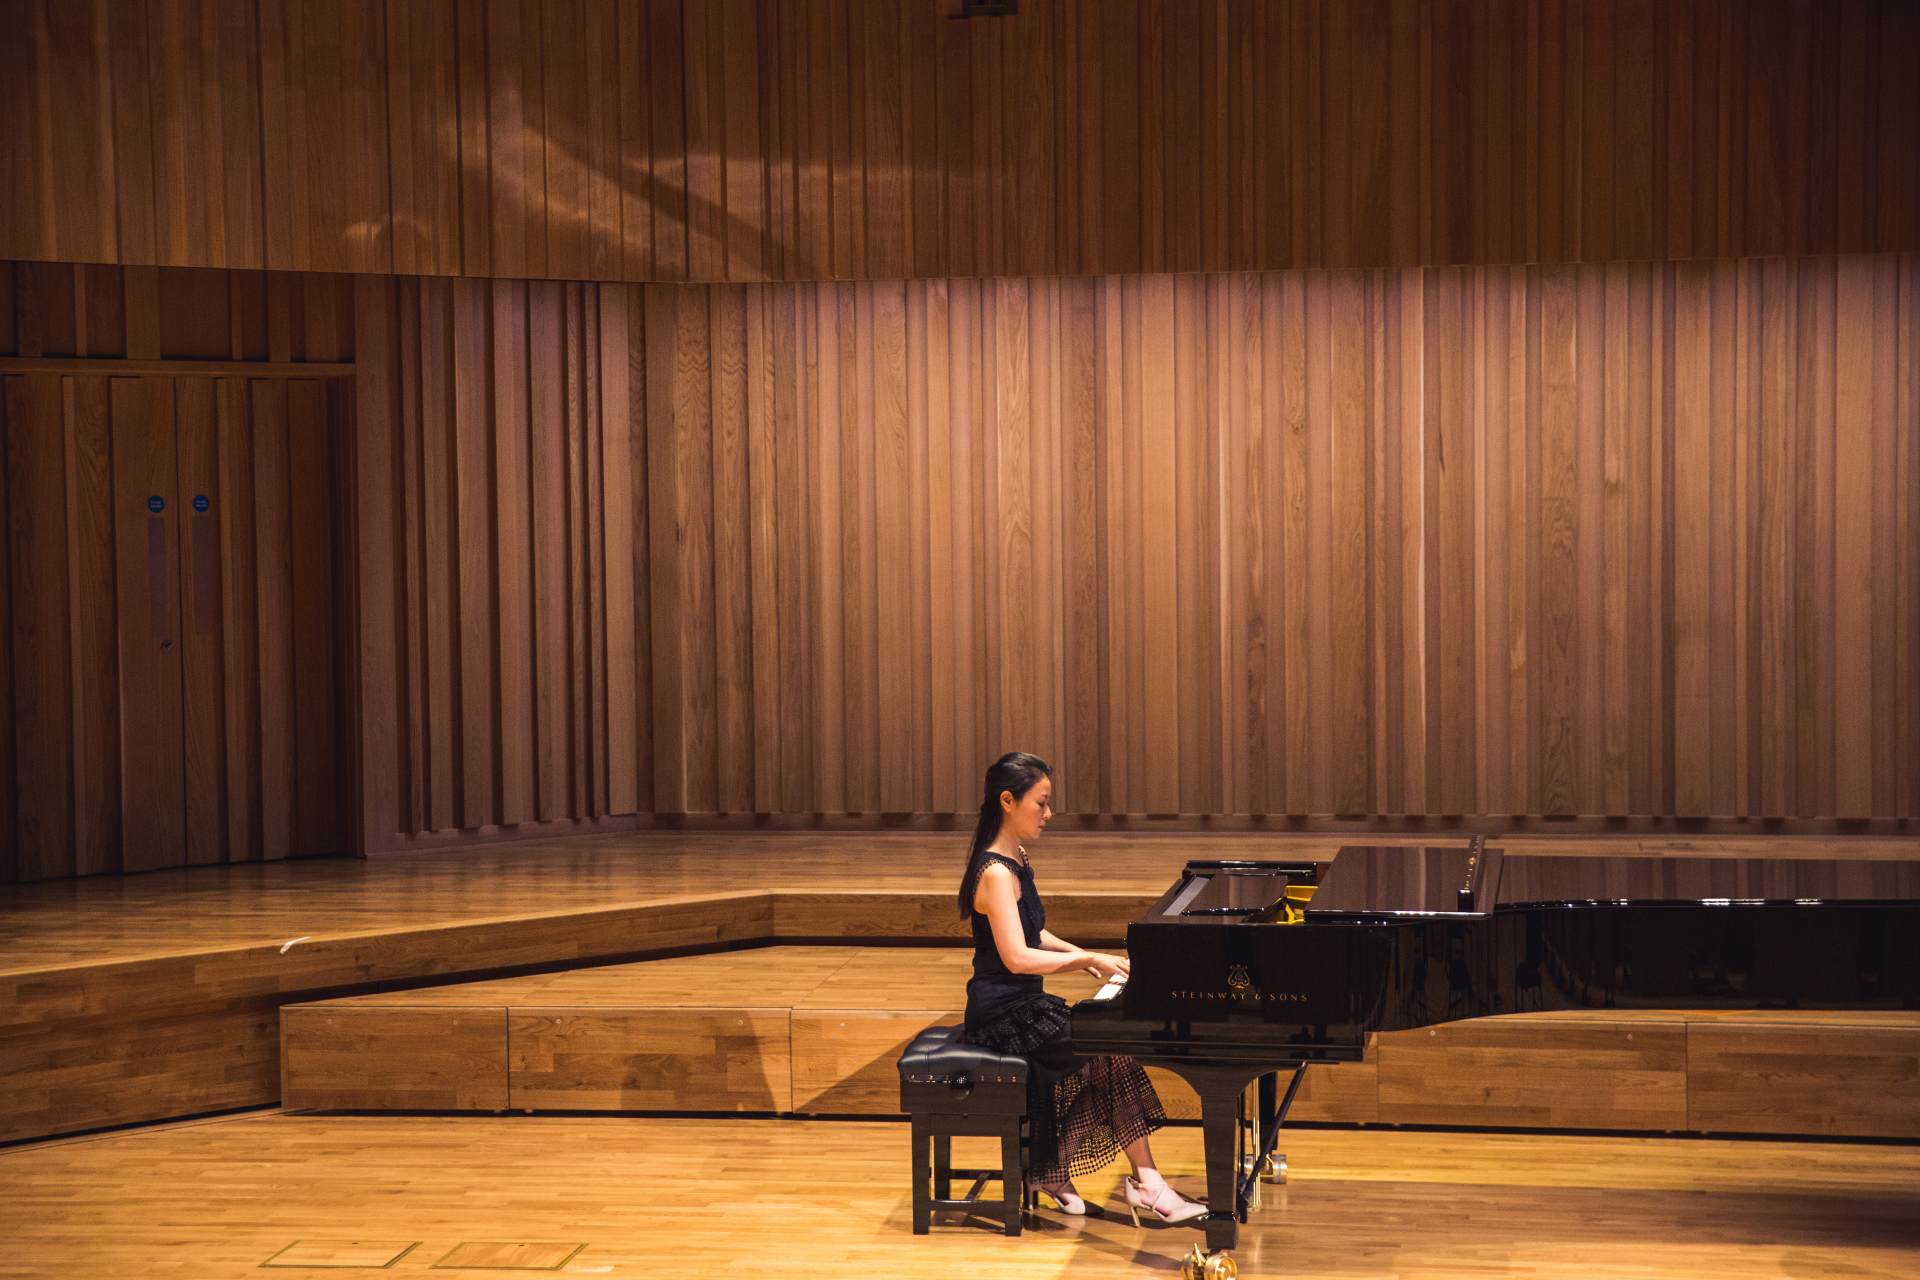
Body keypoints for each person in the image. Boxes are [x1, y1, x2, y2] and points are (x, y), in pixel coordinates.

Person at [954, 750, 1206, 1225]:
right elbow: (1017, 957)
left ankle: (1060, 1172)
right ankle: (1148, 1185)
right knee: (1109, 1050)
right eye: (1041, 803)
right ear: (1008, 801)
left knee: (1108, 1058)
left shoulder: (1016, 858)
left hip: (1023, 1004)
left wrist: (1091, 958)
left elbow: (1035, 933)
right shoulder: (994, 872)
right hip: (1002, 1016)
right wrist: (1084, 959)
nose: (1049, 814)